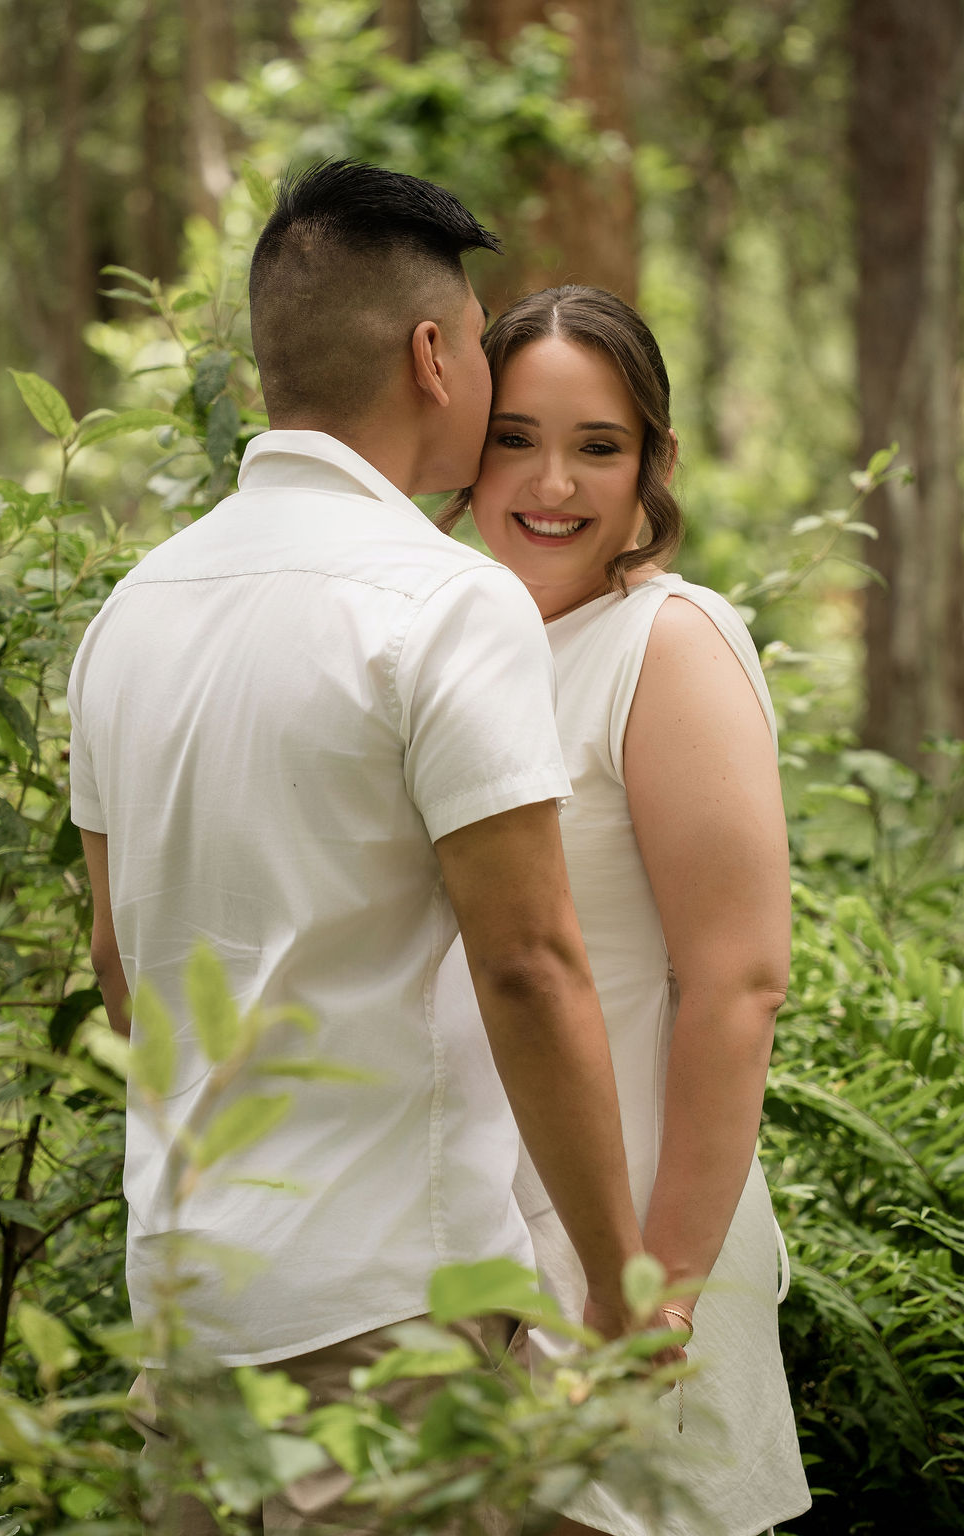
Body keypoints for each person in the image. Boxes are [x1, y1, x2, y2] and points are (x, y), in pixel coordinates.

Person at [67, 167, 654, 1533]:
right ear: (434, 354)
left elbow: (120, 972)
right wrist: (621, 1285)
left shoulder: (131, 615)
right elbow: (530, 966)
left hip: (184, 1319)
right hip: (388, 1327)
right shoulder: (448, 606)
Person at [438, 286, 812, 1536]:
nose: (553, 482)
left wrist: (657, 1291)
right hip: (470, 1241)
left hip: (637, 1237)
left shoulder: (668, 642)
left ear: (654, 460)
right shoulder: (463, 648)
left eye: (598, 445)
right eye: (516, 437)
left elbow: (738, 984)